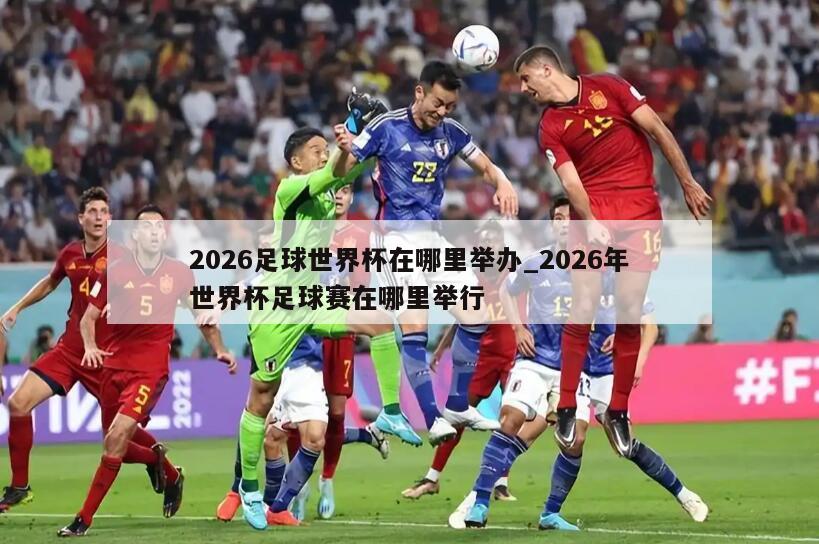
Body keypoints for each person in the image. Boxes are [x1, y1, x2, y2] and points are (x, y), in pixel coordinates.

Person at [513, 46, 711, 455]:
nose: (523, 89)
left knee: (629, 310)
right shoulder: (550, 125)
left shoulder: (610, 87)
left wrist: (688, 182)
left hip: (640, 209)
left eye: (525, 79)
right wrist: (590, 221)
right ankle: (567, 404)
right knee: (583, 303)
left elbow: (657, 129)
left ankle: (617, 410)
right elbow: (570, 182)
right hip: (593, 210)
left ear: (546, 70)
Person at [236, 124, 416, 532]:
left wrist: (366, 135)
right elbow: (334, 172)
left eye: (324, 149)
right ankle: (248, 487)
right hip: (277, 307)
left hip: (312, 301)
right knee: (260, 400)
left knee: (379, 321)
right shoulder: (289, 189)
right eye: (315, 150)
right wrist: (344, 143)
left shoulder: (324, 196)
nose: (322, 154)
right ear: (296, 161)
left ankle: (390, 413)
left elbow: (353, 167)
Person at [334, 62, 518, 445]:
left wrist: (502, 182)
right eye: (438, 102)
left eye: (450, 106)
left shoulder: (451, 133)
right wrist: (344, 145)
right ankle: (431, 418)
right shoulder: (385, 127)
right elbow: (341, 170)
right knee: (416, 325)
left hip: (433, 238)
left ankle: (457, 405)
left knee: (475, 312)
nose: (443, 111)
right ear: (419, 92)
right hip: (394, 242)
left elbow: (485, 166)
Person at [57, 205, 237, 536]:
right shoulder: (115, 271)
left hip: (149, 372)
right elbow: (88, 318)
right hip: (113, 367)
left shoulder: (180, 273)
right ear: (135, 234)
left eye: (159, 226)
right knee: (117, 447)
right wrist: (91, 346)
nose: (154, 231)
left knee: (116, 439)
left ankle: (83, 519)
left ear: (165, 234)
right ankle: (167, 469)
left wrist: (220, 349)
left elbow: (202, 315)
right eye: (147, 226)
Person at [0, 189, 169, 513]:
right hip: (70, 350)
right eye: (92, 211)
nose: (98, 217)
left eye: (104, 211)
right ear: (81, 218)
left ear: (110, 219)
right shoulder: (70, 253)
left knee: (118, 435)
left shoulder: (122, 256)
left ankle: (163, 467)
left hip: (107, 357)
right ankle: (19, 486)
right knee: (18, 403)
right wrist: (17, 308)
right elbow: (49, 282)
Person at [401, 221, 517, 501]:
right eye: (484, 242)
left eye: (492, 241)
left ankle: (501, 482)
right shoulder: (470, 277)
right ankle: (432, 478)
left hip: (512, 356)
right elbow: (463, 317)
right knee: (457, 416)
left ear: (502, 244)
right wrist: (441, 349)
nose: (488, 246)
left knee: (510, 417)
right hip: (481, 359)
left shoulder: (515, 273)